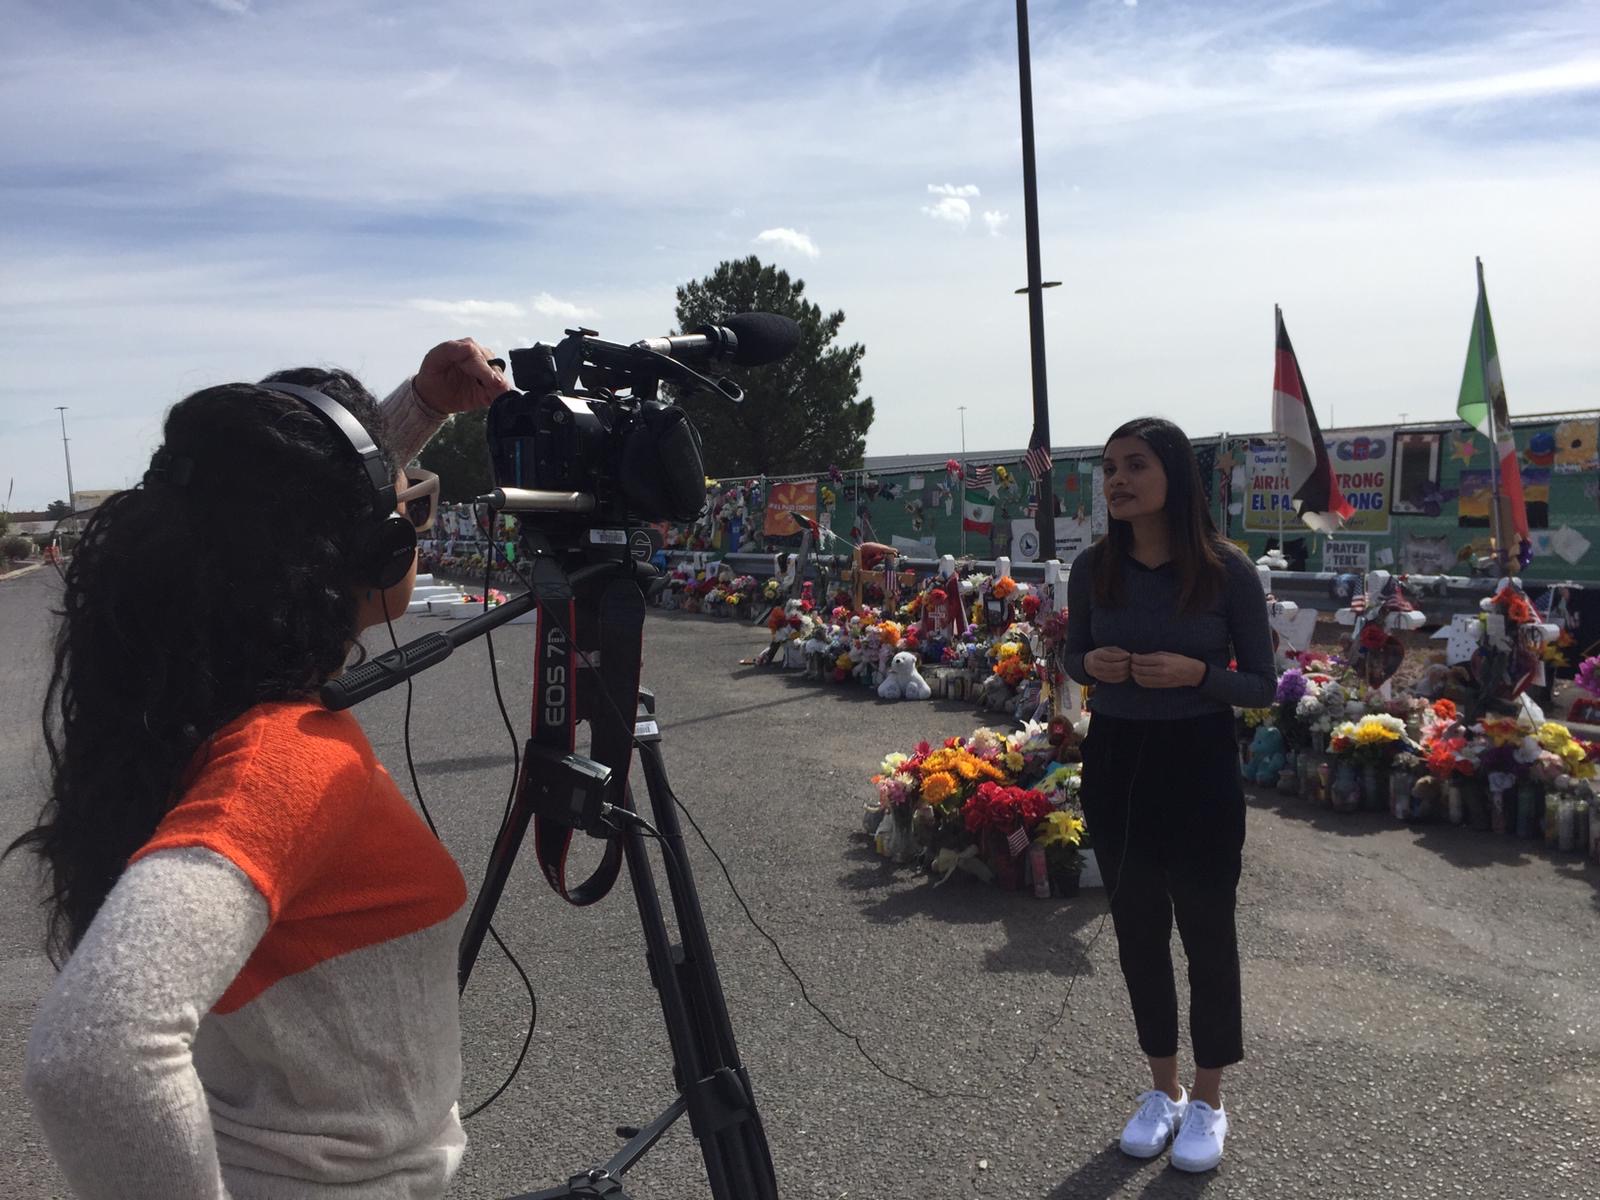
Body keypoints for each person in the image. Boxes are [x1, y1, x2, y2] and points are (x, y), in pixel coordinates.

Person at [12, 339, 508, 1199]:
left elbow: (275, 496)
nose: (411, 530)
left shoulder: (197, 710)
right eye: (408, 514)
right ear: (373, 549)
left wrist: (420, 407)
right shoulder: (286, 762)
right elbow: (93, 1052)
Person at [1062, 416, 1275, 1174]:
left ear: (1174, 478)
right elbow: (1069, 651)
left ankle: (1211, 1099)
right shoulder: (1093, 568)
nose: (1117, 480)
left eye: (1135, 466)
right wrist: (1091, 661)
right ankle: (1164, 1089)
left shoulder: (1226, 570)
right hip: (1115, 761)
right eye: (1110, 468)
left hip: (1198, 765)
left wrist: (1198, 676)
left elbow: (1263, 683)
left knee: (1208, 936)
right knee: (1137, 935)